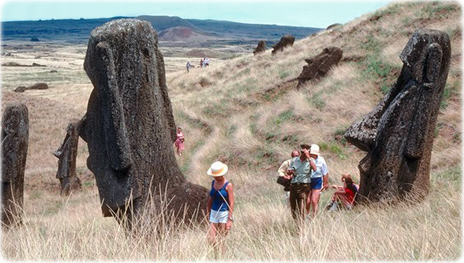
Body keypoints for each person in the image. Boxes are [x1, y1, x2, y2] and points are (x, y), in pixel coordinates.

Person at [207, 161, 235, 248]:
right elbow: (211, 198)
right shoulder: (213, 183)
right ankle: (215, 253)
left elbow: (231, 202)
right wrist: (208, 212)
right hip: (213, 213)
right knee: (210, 238)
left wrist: (229, 219)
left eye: (218, 176)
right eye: (215, 176)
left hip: (223, 213)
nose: (216, 177)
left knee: (221, 239)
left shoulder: (228, 185)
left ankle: (222, 256)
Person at [288, 144, 317, 221]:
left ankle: (301, 227)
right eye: (303, 152)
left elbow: (315, 169)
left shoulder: (310, 161)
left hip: (304, 186)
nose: (304, 154)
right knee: (293, 208)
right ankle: (296, 224)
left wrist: (309, 158)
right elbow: (288, 171)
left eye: (306, 152)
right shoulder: (294, 160)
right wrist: (290, 172)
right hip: (294, 185)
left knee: (301, 208)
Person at [306, 144, 329, 218]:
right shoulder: (307, 159)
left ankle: (314, 217)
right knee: (307, 201)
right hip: (308, 180)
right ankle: (306, 215)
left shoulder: (321, 160)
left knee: (314, 200)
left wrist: (325, 183)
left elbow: (325, 172)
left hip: (317, 180)